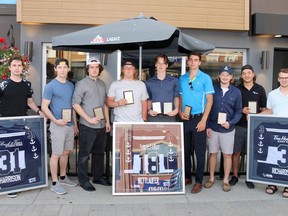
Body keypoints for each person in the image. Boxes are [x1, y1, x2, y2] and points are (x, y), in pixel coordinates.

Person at [0, 54, 45, 198]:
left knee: (20, 154)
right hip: (5, 125)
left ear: (22, 67)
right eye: (14, 65)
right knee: (6, 155)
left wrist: (39, 111)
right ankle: (8, 186)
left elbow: (30, 102)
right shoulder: (3, 84)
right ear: (9, 68)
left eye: (19, 65)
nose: (17, 68)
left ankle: (21, 182)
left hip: (21, 124)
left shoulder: (27, 84)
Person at [72, 57, 111, 191]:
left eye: (96, 67)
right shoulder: (81, 84)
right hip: (87, 125)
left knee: (99, 153)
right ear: (87, 69)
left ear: (99, 69)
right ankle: (83, 180)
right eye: (91, 67)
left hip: (101, 125)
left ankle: (98, 177)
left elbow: (105, 104)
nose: (94, 69)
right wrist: (89, 119)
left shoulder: (102, 84)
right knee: (84, 154)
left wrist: (107, 121)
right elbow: (75, 104)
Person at [178, 52, 214, 194]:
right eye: (190, 60)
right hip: (186, 119)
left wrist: (204, 120)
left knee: (199, 152)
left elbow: (210, 100)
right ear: (188, 62)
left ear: (199, 62)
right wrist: (181, 112)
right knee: (185, 151)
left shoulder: (205, 78)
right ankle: (187, 177)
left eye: (195, 60)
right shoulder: (182, 78)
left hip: (199, 119)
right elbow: (180, 98)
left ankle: (199, 180)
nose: (193, 62)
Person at [41, 58, 78, 195]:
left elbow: (73, 107)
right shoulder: (50, 86)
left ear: (68, 69)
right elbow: (44, 107)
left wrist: (74, 124)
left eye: (65, 67)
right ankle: (55, 183)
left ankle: (63, 177)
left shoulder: (71, 85)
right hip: (58, 125)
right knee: (56, 153)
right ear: (56, 69)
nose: (62, 70)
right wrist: (55, 121)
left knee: (66, 152)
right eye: (60, 67)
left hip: (69, 125)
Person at [204, 66, 242, 192]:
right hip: (213, 128)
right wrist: (207, 126)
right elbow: (207, 109)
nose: (225, 77)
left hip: (228, 129)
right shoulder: (212, 90)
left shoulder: (236, 92)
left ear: (231, 77)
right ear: (219, 76)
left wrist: (230, 123)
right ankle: (211, 178)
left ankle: (226, 180)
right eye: (223, 75)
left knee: (227, 155)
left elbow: (238, 111)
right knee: (212, 154)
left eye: (228, 75)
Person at [229, 65, 267, 189]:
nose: (246, 75)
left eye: (249, 73)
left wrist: (256, 115)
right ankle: (234, 176)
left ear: (253, 74)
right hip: (239, 126)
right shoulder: (236, 89)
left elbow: (265, 109)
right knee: (236, 152)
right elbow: (232, 108)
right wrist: (241, 110)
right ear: (241, 75)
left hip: (254, 127)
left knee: (251, 153)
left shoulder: (260, 89)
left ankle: (249, 177)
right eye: (244, 73)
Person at [261, 68, 288, 198]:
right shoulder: (272, 94)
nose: (284, 80)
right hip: (275, 131)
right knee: (273, 157)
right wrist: (255, 115)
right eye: (282, 77)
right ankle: (273, 183)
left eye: (286, 77)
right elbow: (269, 111)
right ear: (278, 79)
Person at [145, 54, 179, 122]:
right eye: (159, 63)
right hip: (154, 117)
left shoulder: (174, 81)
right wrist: (149, 110)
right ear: (155, 65)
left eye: (163, 63)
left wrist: (176, 109)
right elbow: (149, 99)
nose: (161, 66)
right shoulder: (149, 82)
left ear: (166, 65)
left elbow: (176, 97)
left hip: (170, 116)